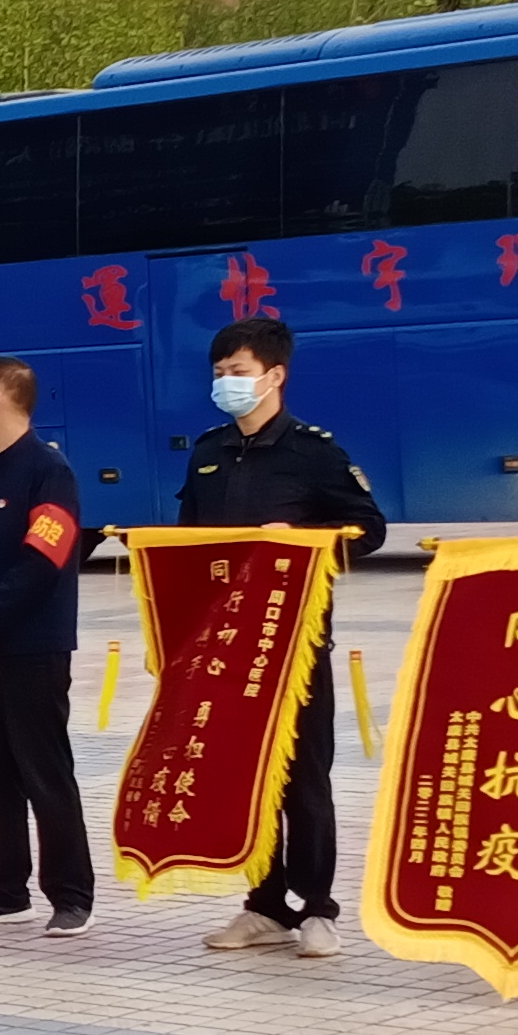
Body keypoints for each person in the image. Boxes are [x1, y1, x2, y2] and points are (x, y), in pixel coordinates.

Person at [176, 317, 386, 958]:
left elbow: (368, 529)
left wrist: (303, 542)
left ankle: (318, 909)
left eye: (237, 372)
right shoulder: (208, 452)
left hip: (293, 645)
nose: (226, 383)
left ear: (274, 376)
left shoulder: (312, 452)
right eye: (219, 373)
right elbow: (188, 546)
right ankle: (264, 905)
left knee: (304, 779)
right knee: (249, 778)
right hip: (228, 650)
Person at [0, 360, 97, 933]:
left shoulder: (47, 471)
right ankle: (5, 888)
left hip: (34, 646)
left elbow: (44, 559)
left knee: (44, 771)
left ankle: (71, 894)